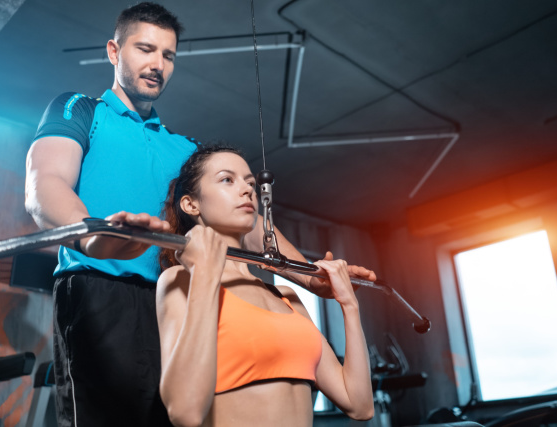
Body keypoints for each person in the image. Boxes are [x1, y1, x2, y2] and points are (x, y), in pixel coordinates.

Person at [25, 3, 376, 426]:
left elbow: (245, 222)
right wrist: (92, 236)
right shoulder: (82, 110)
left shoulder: (186, 149)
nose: (157, 64)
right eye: (145, 49)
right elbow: (45, 185)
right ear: (114, 52)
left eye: (168, 55)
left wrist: (307, 275)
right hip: (103, 289)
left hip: (179, 294)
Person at [156, 144, 375, 427]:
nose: (247, 190)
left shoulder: (287, 297)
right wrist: (204, 274)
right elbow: (185, 412)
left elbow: (359, 405)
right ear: (191, 204)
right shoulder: (180, 282)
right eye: (227, 179)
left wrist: (349, 305)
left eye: (250, 182)